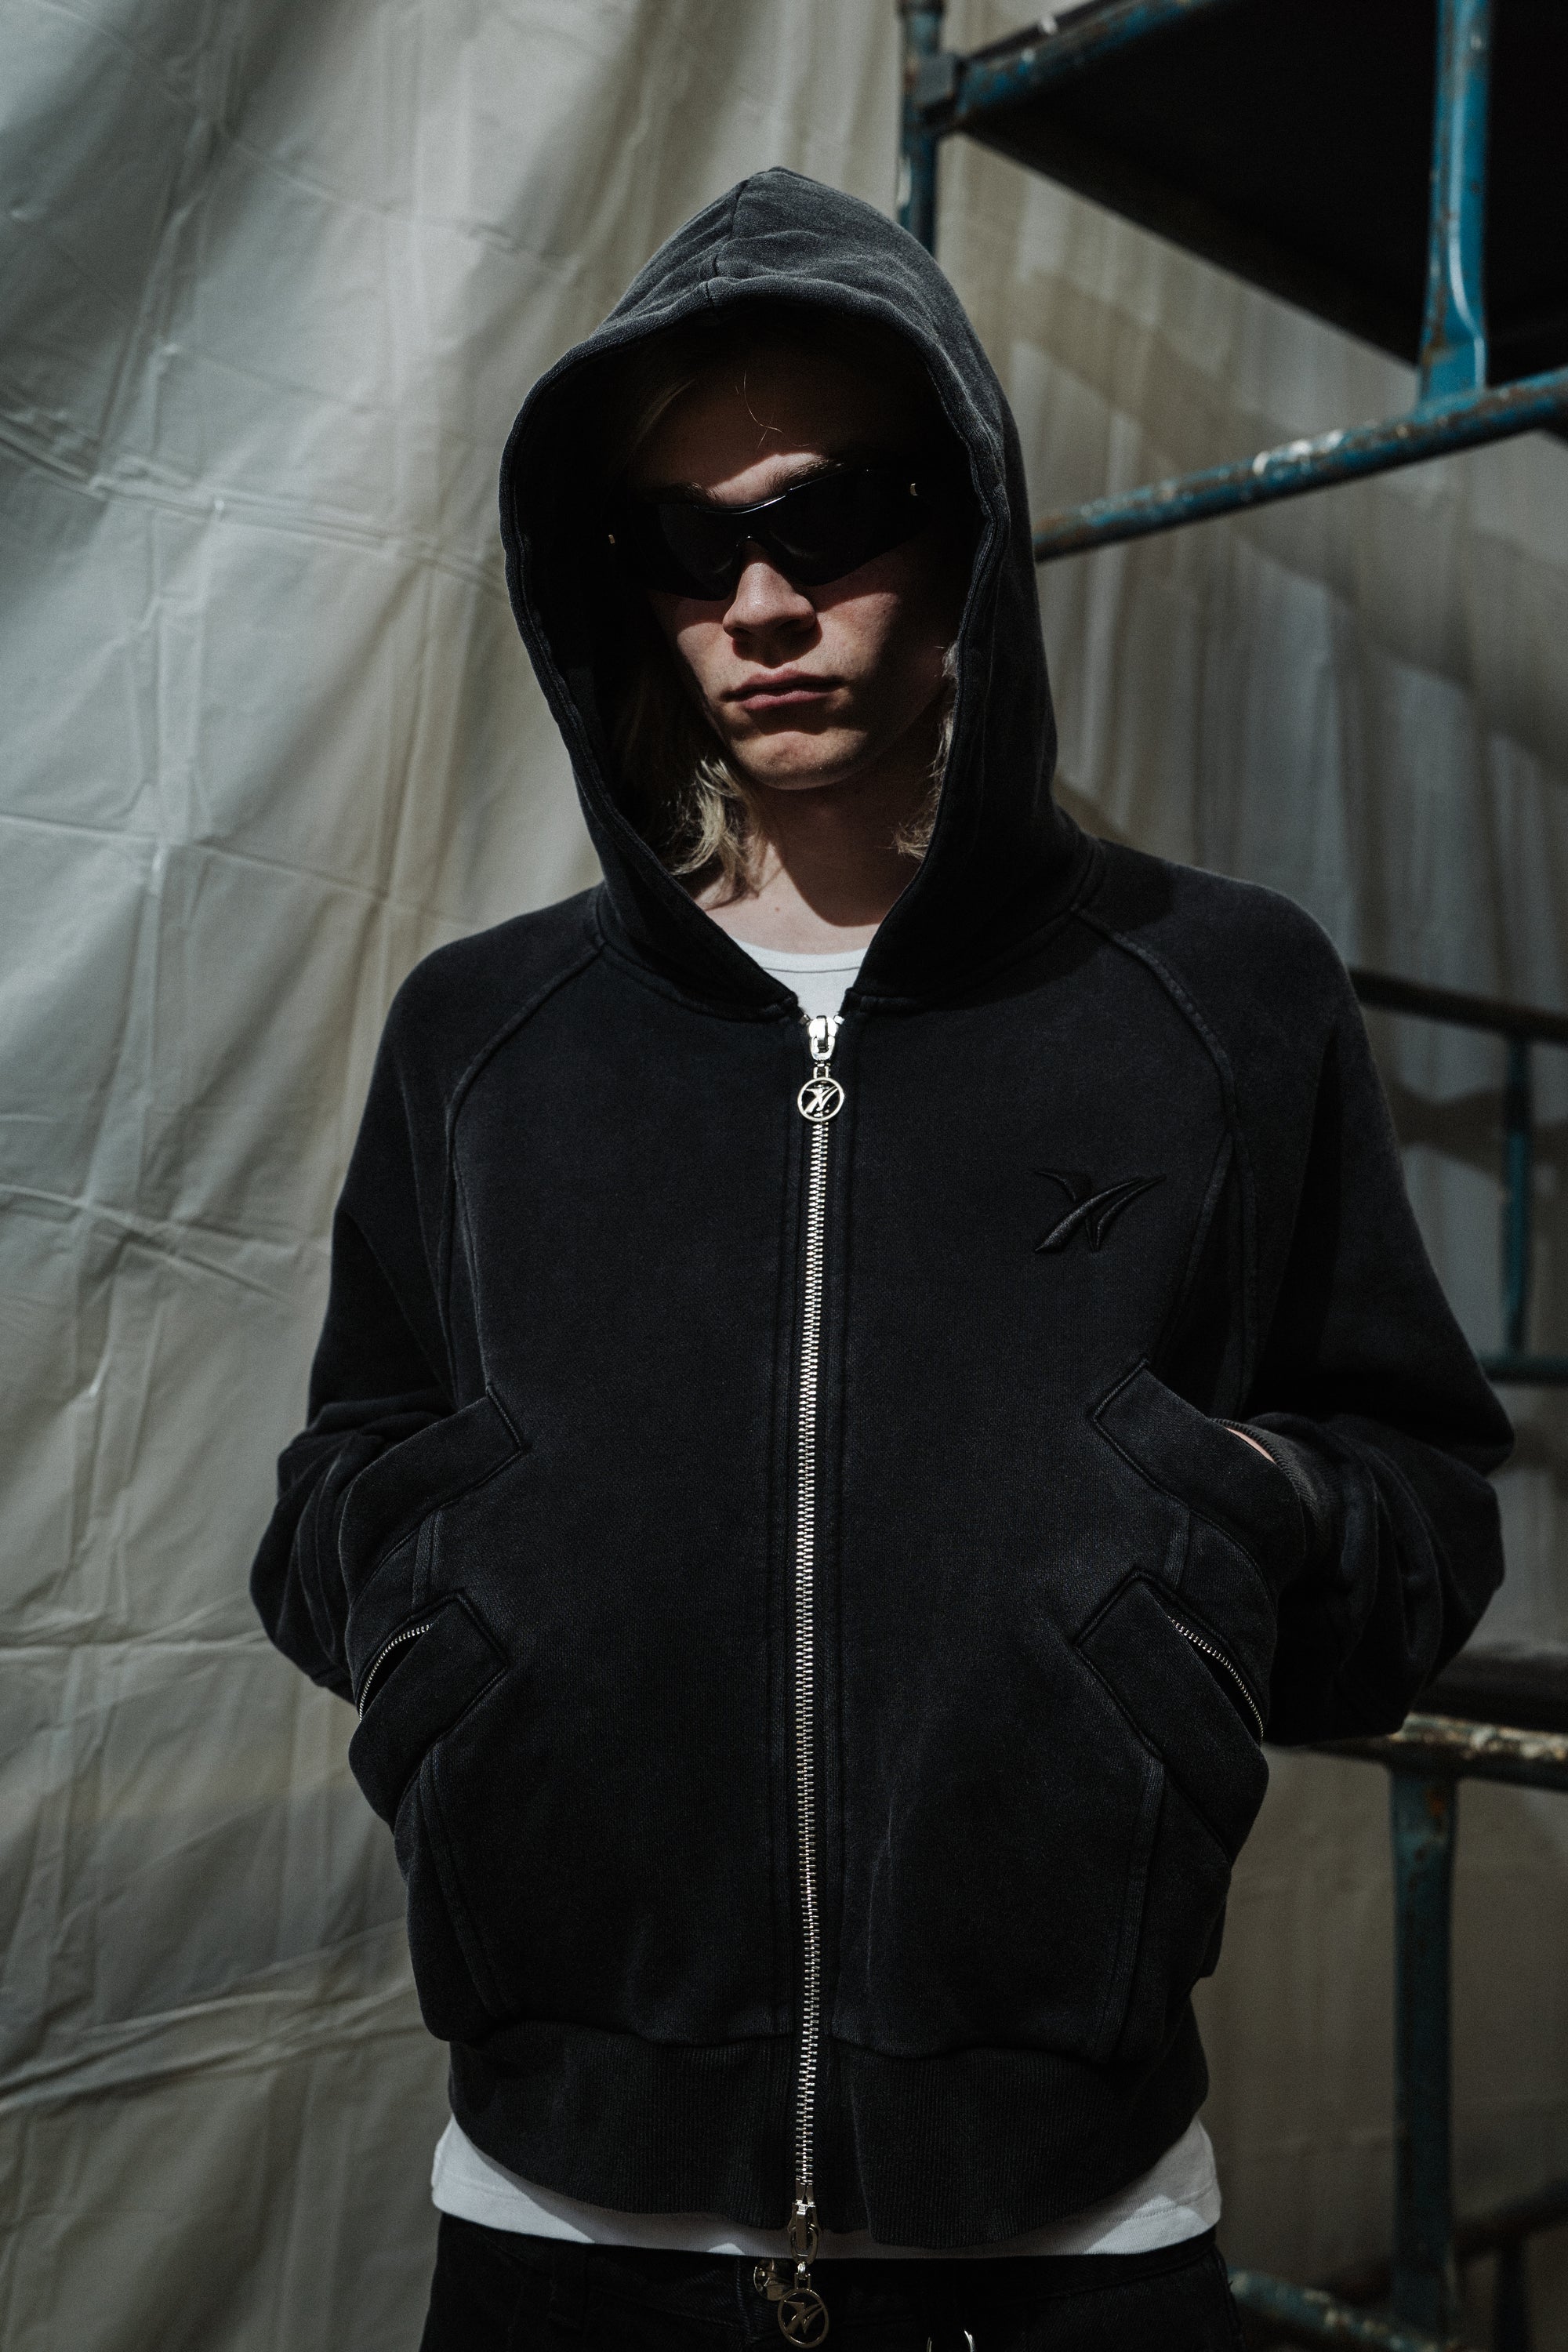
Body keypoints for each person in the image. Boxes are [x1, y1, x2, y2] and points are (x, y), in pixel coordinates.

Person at [251, 170, 1512, 2350]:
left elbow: (1418, 1512)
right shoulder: (487, 1034)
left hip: (1073, 2223)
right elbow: (334, 1488)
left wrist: (1206, 1535)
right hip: (559, 2206)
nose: (760, 602)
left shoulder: (1221, 994)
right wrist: (463, 1588)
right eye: (683, 544)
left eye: (832, 519)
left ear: (971, 535)